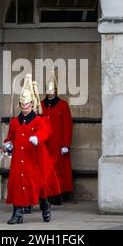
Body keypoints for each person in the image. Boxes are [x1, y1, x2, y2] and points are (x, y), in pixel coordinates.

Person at [3, 74, 60, 224]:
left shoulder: (38, 120)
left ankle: (45, 206)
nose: (24, 107)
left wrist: (37, 138)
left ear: (32, 104)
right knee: (17, 183)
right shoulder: (15, 122)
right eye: (22, 104)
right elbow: (10, 138)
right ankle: (17, 212)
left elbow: (46, 131)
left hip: (34, 158)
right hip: (18, 158)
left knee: (38, 185)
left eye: (27, 104)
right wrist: (8, 145)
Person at [41, 69, 74, 205]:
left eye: (52, 90)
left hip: (58, 142)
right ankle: (47, 194)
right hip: (44, 142)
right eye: (48, 90)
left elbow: (67, 125)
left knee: (58, 169)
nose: (50, 92)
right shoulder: (41, 104)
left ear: (55, 90)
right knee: (46, 169)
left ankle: (59, 194)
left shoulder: (62, 105)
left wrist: (66, 144)